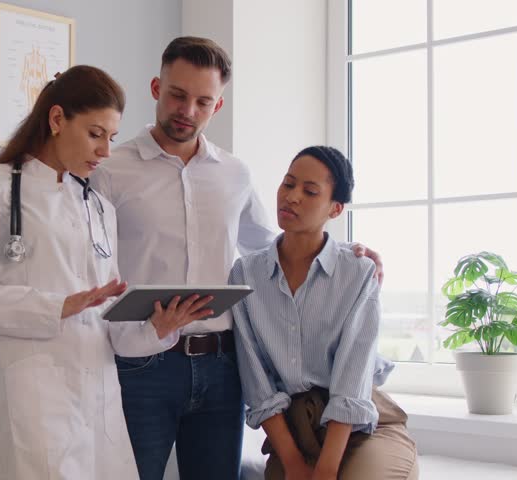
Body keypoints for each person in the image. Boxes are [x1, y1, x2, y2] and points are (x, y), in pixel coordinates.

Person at [92, 37, 384, 480]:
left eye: (202, 101)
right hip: (143, 363)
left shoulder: (234, 173)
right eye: (177, 95)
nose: (187, 110)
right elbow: (92, 262)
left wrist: (346, 253)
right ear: (155, 87)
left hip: (222, 366)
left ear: (218, 105)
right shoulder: (111, 169)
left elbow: (272, 244)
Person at [0, 65, 214, 480]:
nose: (105, 151)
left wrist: (156, 328)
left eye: (111, 138)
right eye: (95, 134)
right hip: (34, 401)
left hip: (99, 403)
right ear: (57, 119)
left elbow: (109, 322)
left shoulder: (99, 208)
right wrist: (54, 306)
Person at [229, 146, 418, 480]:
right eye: (288, 184)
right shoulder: (245, 274)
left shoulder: (358, 272)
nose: (292, 197)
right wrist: (293, 463)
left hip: (363, 429)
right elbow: (256, 382)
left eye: (310, 191)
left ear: (336, 208)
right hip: (295, 434)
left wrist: (327, 469)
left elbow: (351, 380)